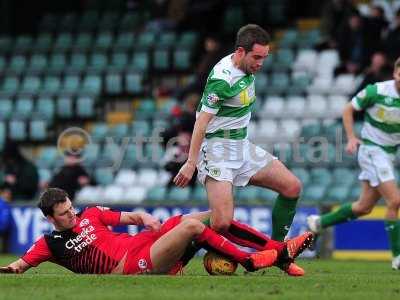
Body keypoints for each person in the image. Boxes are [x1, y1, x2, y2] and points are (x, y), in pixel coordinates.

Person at [173, 24, 306, 275]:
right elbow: (200, 123)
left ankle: (278, 255)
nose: (260, 63)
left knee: (292, 187)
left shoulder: (245, 66)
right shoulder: (222, 80)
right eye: (256, 57)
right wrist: (191, 163)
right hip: (216, 149)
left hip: (241, 146)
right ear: (240, 52)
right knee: (221, 222)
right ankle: (176, 255)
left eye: (264, 58)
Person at [0, 188, 313, 275]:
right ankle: (249, 261)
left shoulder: (91, 214)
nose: (72, 214)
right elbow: (19, 266)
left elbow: (130, 216)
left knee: (212, 216)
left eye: (71, 207)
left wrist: (147, 218)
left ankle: (278, 249)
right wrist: (9, 270)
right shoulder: (50, 243)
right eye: (64, 214)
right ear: (50, 218)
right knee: (191, 226)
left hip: (144, 244)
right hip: (129, 269)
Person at [307, 57, 400, 270]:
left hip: (388, 154)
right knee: (395, 201)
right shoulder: (376, 92)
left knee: (364, 207)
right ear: (395, 73)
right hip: (372, 150)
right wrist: (351, 137)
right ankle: (397, 257)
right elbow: (348, 109)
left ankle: (318, 223)